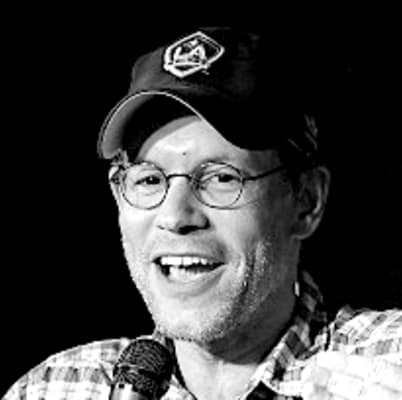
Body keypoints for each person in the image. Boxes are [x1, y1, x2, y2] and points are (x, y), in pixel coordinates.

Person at [4, 27, 402, 400]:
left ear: (307, 202)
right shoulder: (56, 388)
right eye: (149, 180)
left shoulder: (388, 366)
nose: (175, 217)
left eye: (221, 178)